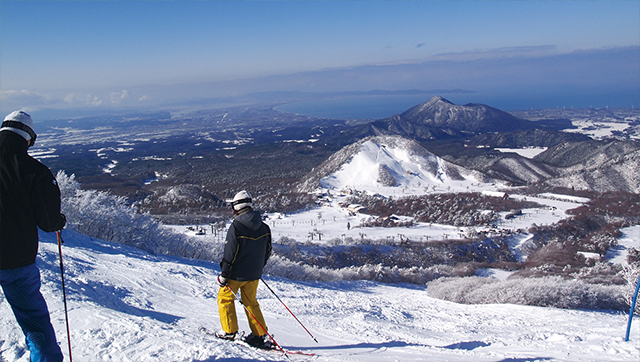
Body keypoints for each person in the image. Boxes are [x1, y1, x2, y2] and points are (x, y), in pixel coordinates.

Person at [0, 110, 67, 362]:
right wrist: (60, 221)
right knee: (34, 322)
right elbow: (49, 223)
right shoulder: (35, 171)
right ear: (28, 138)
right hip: (17, 260)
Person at [216, 190, 272, 349]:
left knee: (225, 298)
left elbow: (230, 253)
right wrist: (258, 268)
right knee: (251, 302)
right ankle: (259, 335)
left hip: (235, 275)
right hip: (254, 275)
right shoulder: (264, 227)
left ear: (236, 207)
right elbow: (267, 250)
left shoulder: (237, 226)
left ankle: (229, 331)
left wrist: (225, 274)